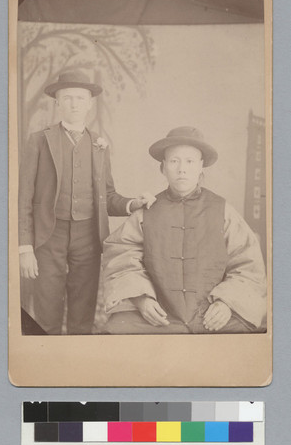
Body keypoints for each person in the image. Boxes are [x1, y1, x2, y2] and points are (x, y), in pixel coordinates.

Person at [19, 69, 154, 335]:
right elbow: (23, 198)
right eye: (67, 98)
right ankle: (48, 371)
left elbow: (109, 197)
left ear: (89, 103)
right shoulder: (38, 140)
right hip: (48, 236)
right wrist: (25, 248)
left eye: (80, 98)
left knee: (83, 315)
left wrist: (132, 204)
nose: (74, 104)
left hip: (88, 238)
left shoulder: (99, 145)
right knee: (47, 315)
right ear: (57, 103)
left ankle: (76, 369)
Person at [102, 126, 267, 334]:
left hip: (210, 311)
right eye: (174, 161)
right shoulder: (147, 212)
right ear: (163, 168)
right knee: (114, 332)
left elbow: (247, 264)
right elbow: (121, 256)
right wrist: (142, 299)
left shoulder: (223, 210)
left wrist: (227, 302)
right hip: (159, 313)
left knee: (251, 340)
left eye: (189, 161)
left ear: (201, 167)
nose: (182, 169)